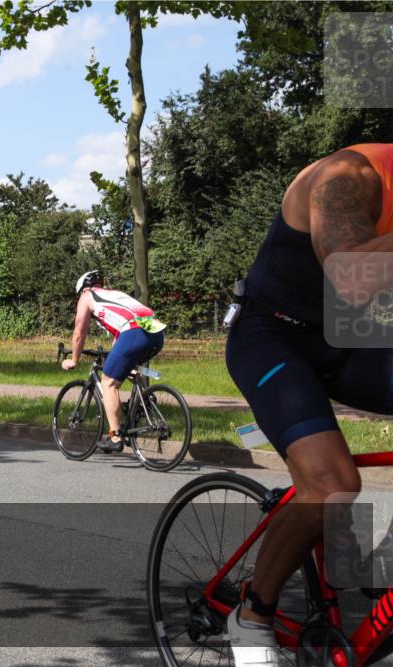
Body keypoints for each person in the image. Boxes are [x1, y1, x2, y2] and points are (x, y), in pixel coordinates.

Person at [224, 143, 393, 666]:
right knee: (332, 483)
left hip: (347, 339)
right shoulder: (349, 174)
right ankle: (253, 612)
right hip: (271, 335)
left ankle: (378, 560)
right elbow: (350, 276)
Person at [61, 270, 166, 452]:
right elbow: (125, 330)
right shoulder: (115, 294)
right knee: (130, 369)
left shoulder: (87, 296)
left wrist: (74, 359)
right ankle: (144, 403)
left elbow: (79, 332)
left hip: (134, 332)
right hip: (156, 331)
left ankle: (115, 437)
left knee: (108, 384)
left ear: (82, 289)